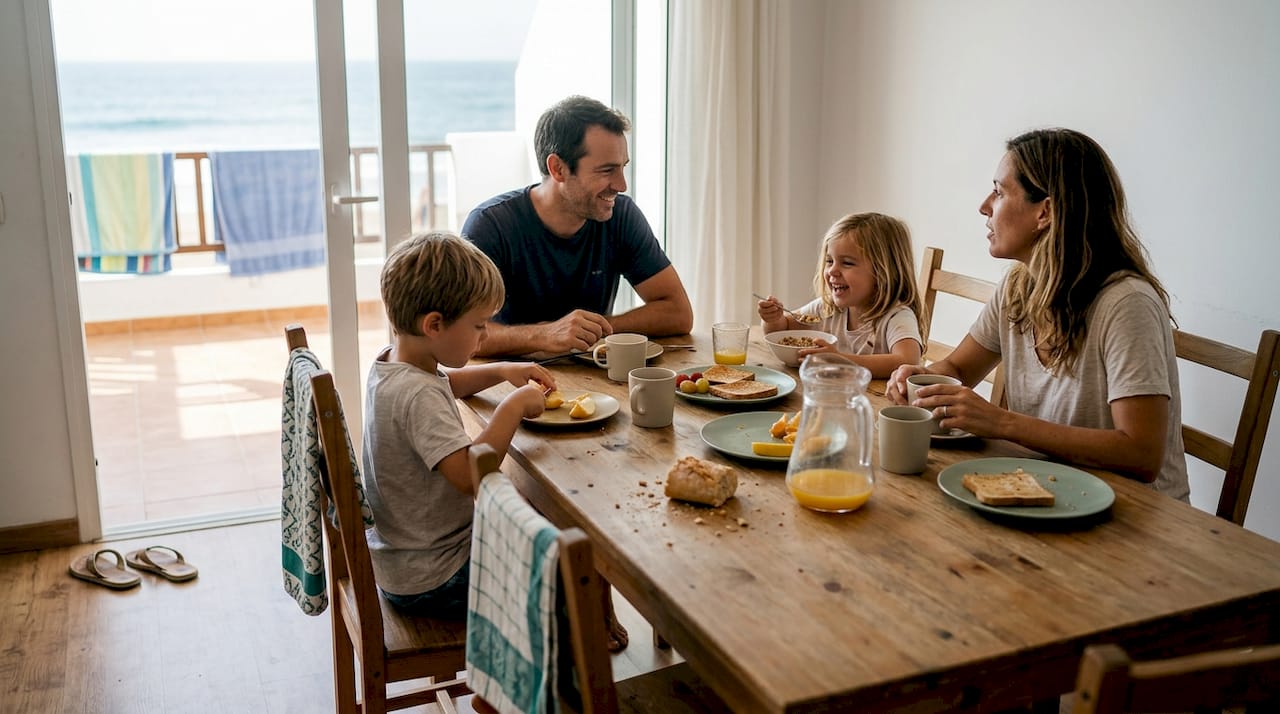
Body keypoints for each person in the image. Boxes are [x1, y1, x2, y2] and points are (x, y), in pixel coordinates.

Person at [886, 128, 1190, 499]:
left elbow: (1141, 454)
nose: (984, 206)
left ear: (1044, 211)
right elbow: (958, 370)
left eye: (999, 192)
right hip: (1048, 491)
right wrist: (921, 380)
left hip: (1140, 522)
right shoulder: (1018, 287)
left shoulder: (1127, 304)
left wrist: (1001, 422)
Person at [361, 231, 555, 619]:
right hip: (436, 577)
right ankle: (560, 668)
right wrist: (513, 407)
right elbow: (471, 477)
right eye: (479, 325)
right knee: (560, 563)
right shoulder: (417, 396)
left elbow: (445, 383)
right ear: (434, 324)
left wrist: (501, 371)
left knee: (535, 531)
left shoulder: (394, 364)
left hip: (405, 560)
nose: (484, 337)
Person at [461, 95, 693, 357]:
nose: (621, 185)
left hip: (593, 383)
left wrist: (597, 330)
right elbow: (460, 334)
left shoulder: (621, 215)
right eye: (607, 171)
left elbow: (678, 312)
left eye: (622, 168)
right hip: (507, 385)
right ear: (558, 168)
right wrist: (546, 335)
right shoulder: (491, 225)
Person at [757, 212, 925, 378]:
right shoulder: (827, 308)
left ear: (883, 272)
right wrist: (773, 320)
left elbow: (908, 361)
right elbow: (784, 329)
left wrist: (841, 360)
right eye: (829, 261)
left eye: (847, 263)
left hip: (874, 401)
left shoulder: (896, 316)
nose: (832, 271)